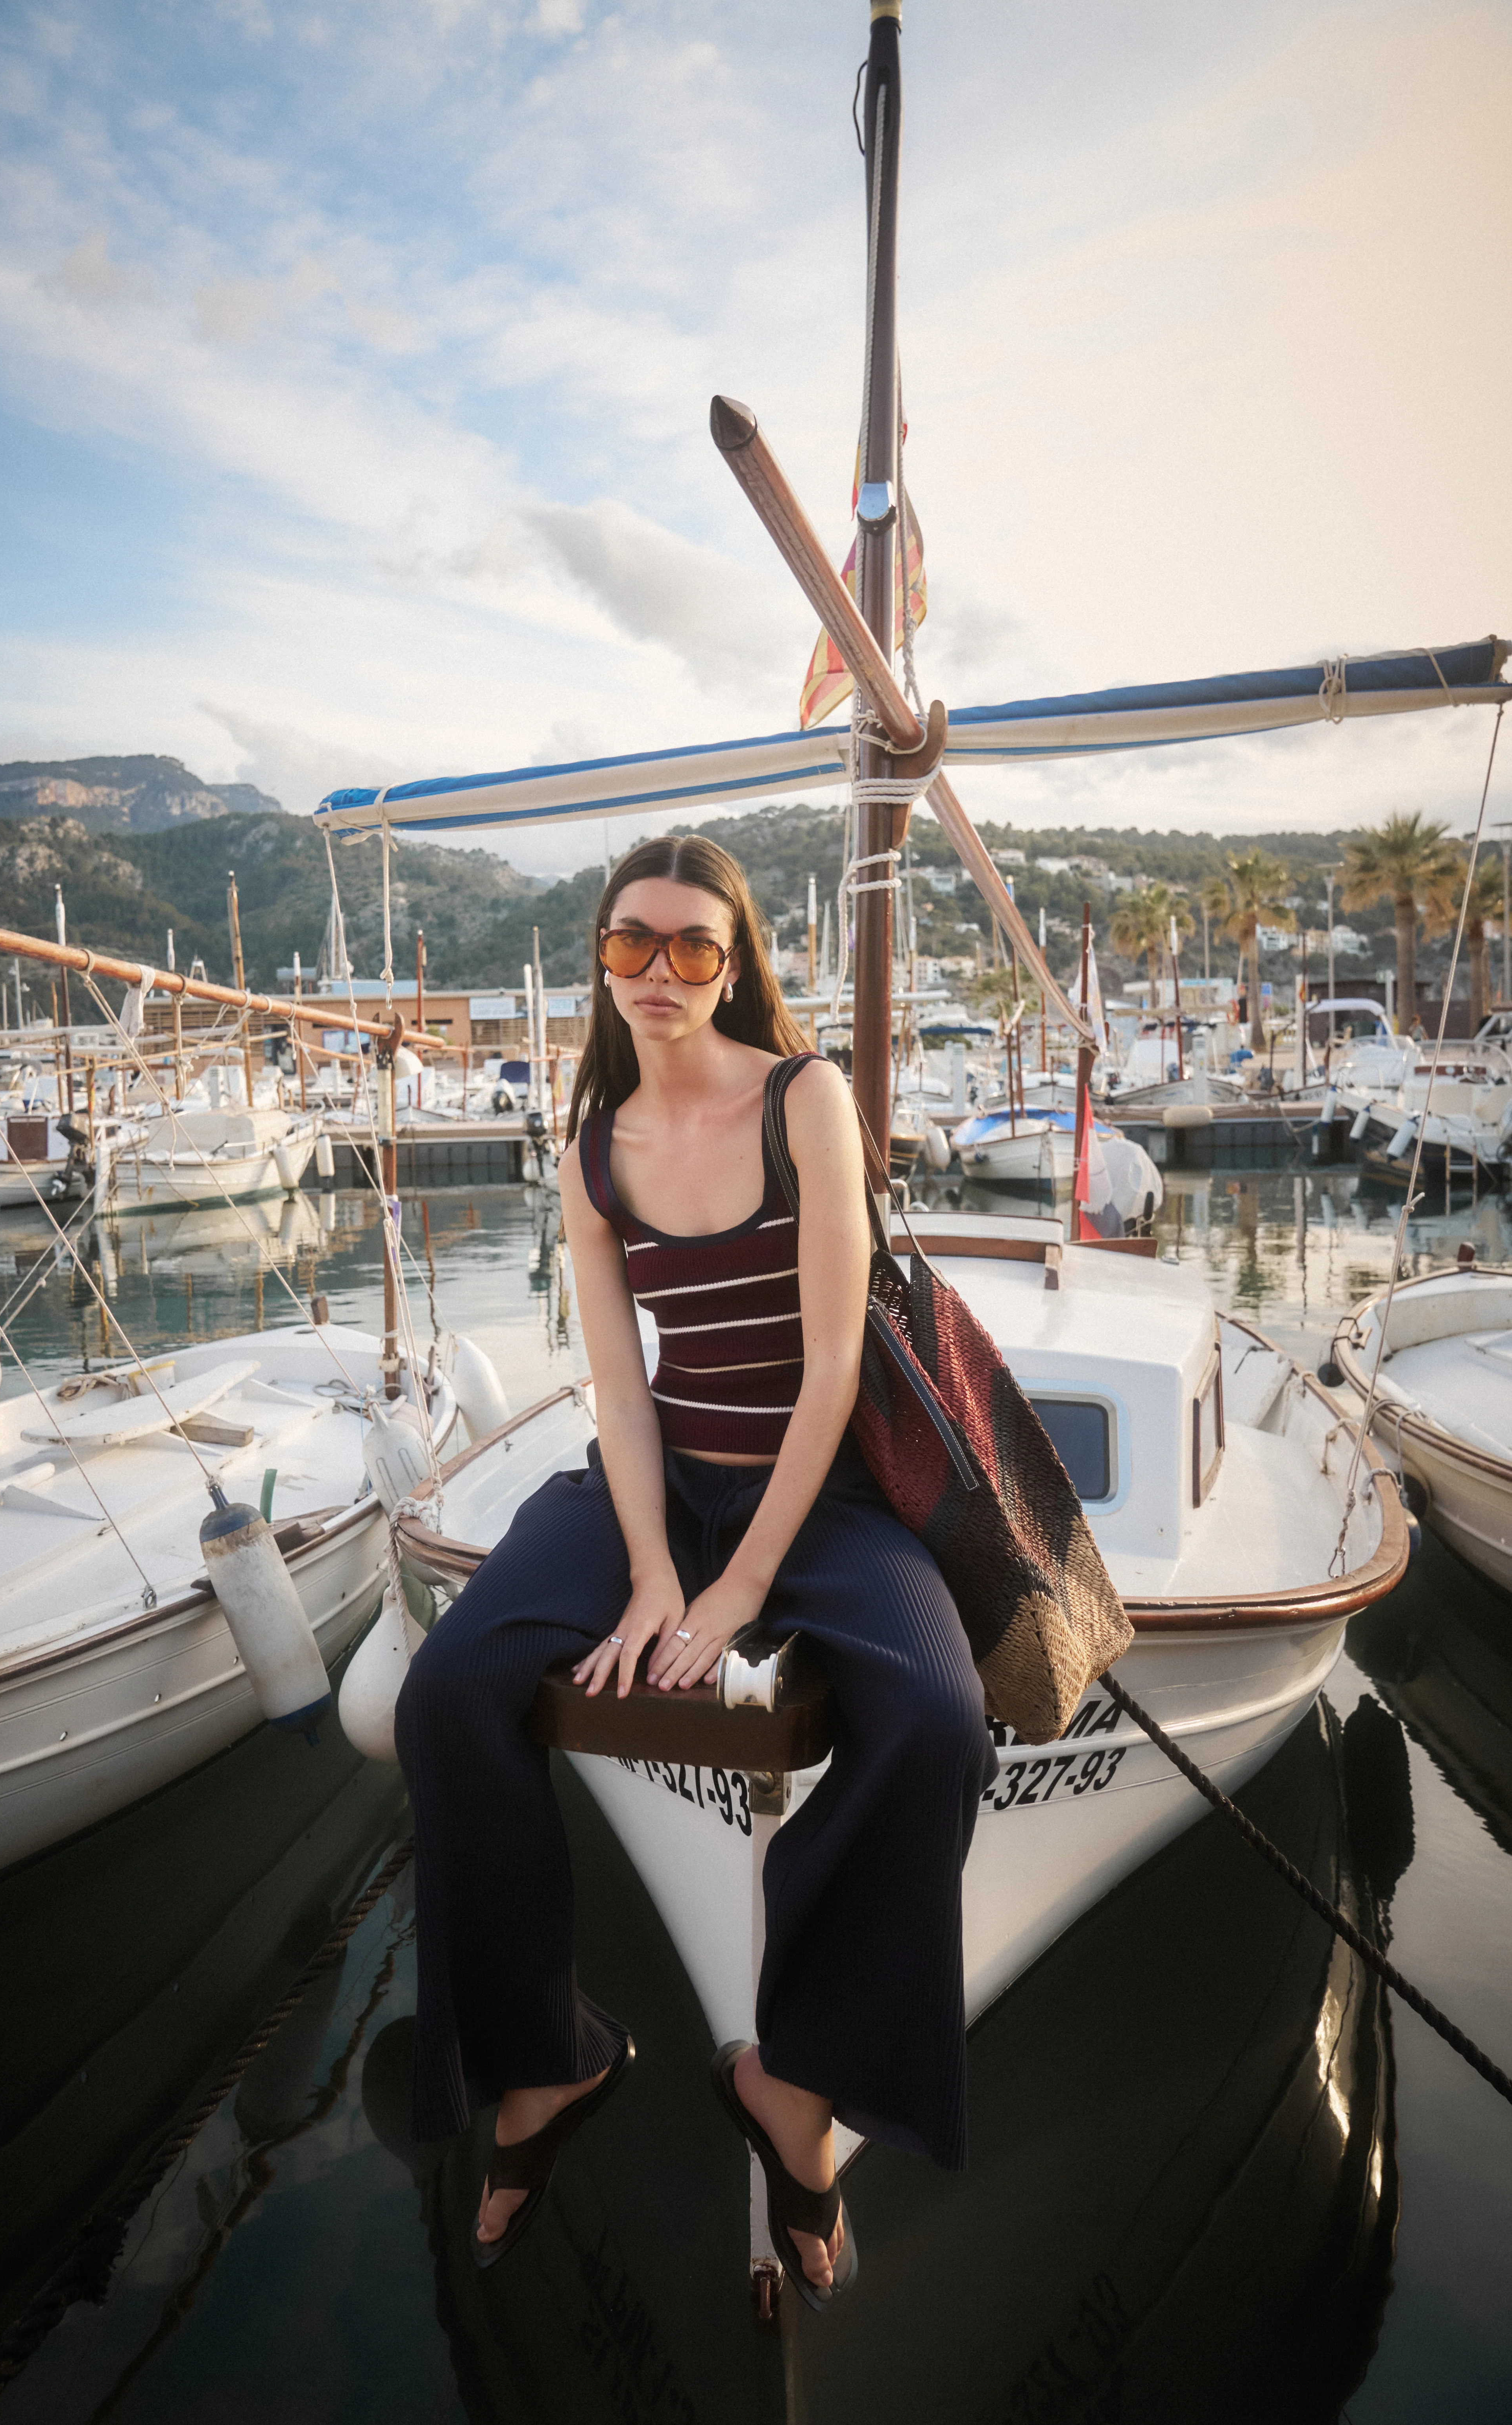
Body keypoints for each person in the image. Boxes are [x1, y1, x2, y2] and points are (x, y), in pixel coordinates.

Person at [394, 834, 998, 2310]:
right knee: (448, 1695)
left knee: (936, 1723)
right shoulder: (592, 1138)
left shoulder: (805, 1100)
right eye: (629, 943)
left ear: (735, 962)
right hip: (655, 1482)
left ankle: (795, 2080)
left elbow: (839, 1363)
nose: (658, 973)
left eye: (692, 948)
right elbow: (618, 1380)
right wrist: (659, 1572)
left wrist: (738, 1592)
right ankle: (552, 2062)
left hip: (818, 1489)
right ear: (600, 955)